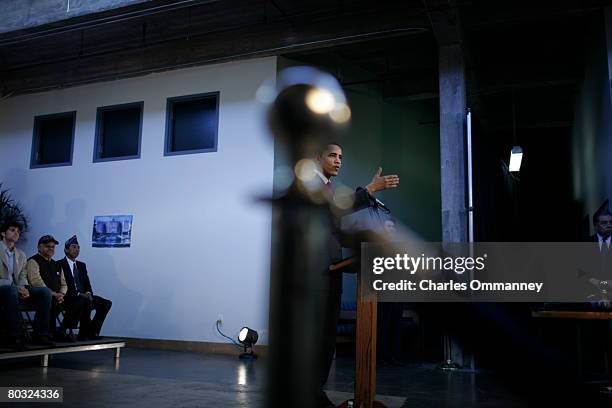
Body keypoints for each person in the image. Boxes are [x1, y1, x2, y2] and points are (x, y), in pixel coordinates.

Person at [314, 142, 399, 407]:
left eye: (341, 157)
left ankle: (316, 393)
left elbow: (336, 231)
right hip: (316, 278)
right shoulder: (311, 185)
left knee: (326, 344)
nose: (338, 161)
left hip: (331, 276)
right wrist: (370, 189)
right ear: (318, 158)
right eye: (332, 155)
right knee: (316, 343)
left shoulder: (328, 187)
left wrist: (376, 236)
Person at [0, 222, 54, 349]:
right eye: (12, 230)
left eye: (18, 231)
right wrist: (17, 288)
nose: (16, 233)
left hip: (15, 289)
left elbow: (22, 276)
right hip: (4, 289)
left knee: (45, 292)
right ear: (3, 233)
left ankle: (40, 334)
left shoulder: (21, 254)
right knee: (12, 290)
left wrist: (24, 288)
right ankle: (15, 336)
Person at [26, 234, 80, 342]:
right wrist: (53, 294)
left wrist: (62, 294)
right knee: (49, 299)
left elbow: (64, 284)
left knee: (78, 301)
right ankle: (45, 333)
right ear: (39, 247)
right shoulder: (33, 261)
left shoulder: (56, 264)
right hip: (40, 296)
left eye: (52, 247)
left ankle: (60, 331)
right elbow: (35, 281)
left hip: (57, 296)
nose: (51, 248)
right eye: (47, 246)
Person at [57, 235, 111, 340]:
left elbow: (87, 283)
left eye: (78, 247)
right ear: (66, 249)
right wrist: (80, 294)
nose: (76, 250)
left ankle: (91, 332)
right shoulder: (59, 264)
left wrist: (89, 293)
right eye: (73, 247)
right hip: (69, 297)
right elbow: (60, 285)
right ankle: (72, 331)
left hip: (84, 296)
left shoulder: (82, 265)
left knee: (106, 303)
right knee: (83, 300)